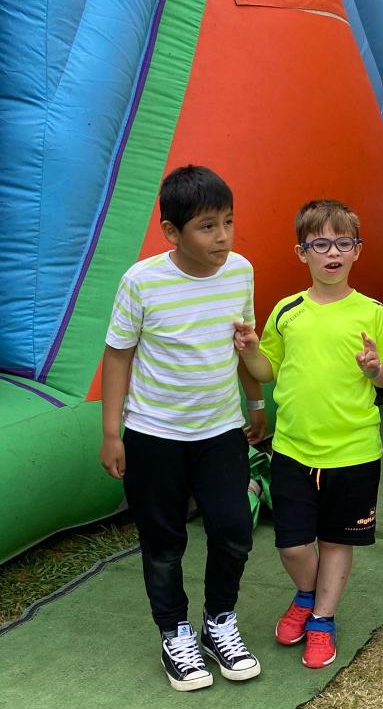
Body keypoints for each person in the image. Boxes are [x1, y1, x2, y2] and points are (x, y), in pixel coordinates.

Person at [100, 165, 264, 692]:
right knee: (164, 542)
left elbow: (243, 341)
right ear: (172, 232)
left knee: (234, 530)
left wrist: (255, 401)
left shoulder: (240, 270)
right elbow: (118, 355)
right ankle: (175, 633)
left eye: (228, 222)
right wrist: (112, 433)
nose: (223, 237)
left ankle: (219, 623)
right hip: (154, 436)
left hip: (221, 430)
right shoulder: (141, 281)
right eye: (207, 226)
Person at [233, 200, 383, 669]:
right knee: (292, 544)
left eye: (343, 243)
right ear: (301, 252)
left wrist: (375, 369)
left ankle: (323, 619)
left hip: (354, 451)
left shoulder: (371, 312)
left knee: (335, 541)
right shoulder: (287, 311)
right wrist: (250, 350)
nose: (333, 253)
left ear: (357, 250)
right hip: (293, 449)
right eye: (321, 244)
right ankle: (306, 595)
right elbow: (267, 369)